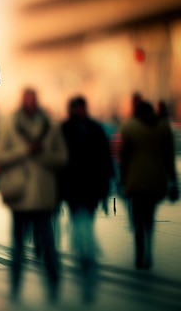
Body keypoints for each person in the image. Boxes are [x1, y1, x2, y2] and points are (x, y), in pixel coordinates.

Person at [0, 87, 68, 302]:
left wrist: (41, 154)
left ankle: (53, 284)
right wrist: (25, 152)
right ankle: (15, 285)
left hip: (43, 197)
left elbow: (62, 158)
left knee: (48, 244)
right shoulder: (9, 126)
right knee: (18, 245)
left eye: (34, 100)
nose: (31, 104)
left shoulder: (51, 126)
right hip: (21, 196)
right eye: (28, 100)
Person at [59, 95, 114, 302]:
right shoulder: (69, 129)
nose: (81, 111)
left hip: (89, 186)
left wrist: (107, 184)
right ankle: (84, 249)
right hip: (75, 187)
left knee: (85, 219)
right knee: (80, 219)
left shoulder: (87, 129)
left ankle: (84, 249)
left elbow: (105, 158)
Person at [120, 100, 178, 270]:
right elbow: (170, 156)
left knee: (138, 218)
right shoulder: (163, 127)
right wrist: (173, 179)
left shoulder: (130, 127)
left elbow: (124, 157)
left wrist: (122, 179)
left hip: (136, 181)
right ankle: (149, 252)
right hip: (156, 181)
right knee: (149, 217)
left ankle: (139, 254)